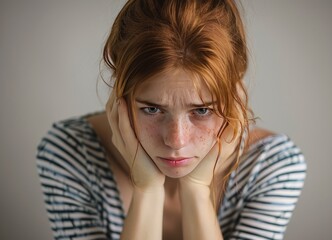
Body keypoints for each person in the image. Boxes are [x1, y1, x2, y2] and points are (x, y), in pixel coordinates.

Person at [36, 0, 306, 239]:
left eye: (202, 110)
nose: (176, 140)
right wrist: (148, 191)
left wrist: (197, 191)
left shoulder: (271, 166)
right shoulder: (70, 152)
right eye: (152, 109)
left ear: (234, 98)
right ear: (121, 96)